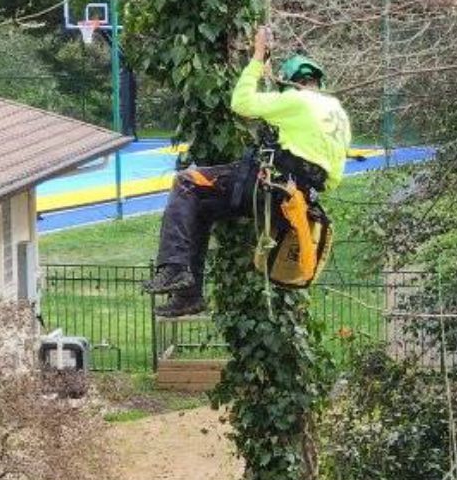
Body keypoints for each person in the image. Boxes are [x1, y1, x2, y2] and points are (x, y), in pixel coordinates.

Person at [143, 27, 352, 318]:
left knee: (186, 183)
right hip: (296, 203)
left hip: (271, 189)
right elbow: (334, 177)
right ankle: (189, 296)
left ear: (290, 83)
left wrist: (256, 59)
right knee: (201, 208)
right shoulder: (338, 114)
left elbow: (241, 103)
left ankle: (173, 268)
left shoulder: (297, 99)